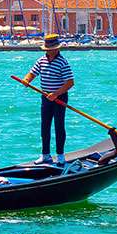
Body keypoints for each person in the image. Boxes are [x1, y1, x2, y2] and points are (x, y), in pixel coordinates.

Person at [22, 34, 75, 165]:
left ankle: (60, 155)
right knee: (45, 126)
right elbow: (32, 73)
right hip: (45, 97)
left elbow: (70, 83)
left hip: (60, 97)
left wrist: (56, 94)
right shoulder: (41, 60)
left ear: (57, 49)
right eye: (48, 49)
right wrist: (27, 80)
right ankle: (45, 155)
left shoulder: (63, 62)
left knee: (59, 126)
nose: (49, 51)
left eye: (51, 49)